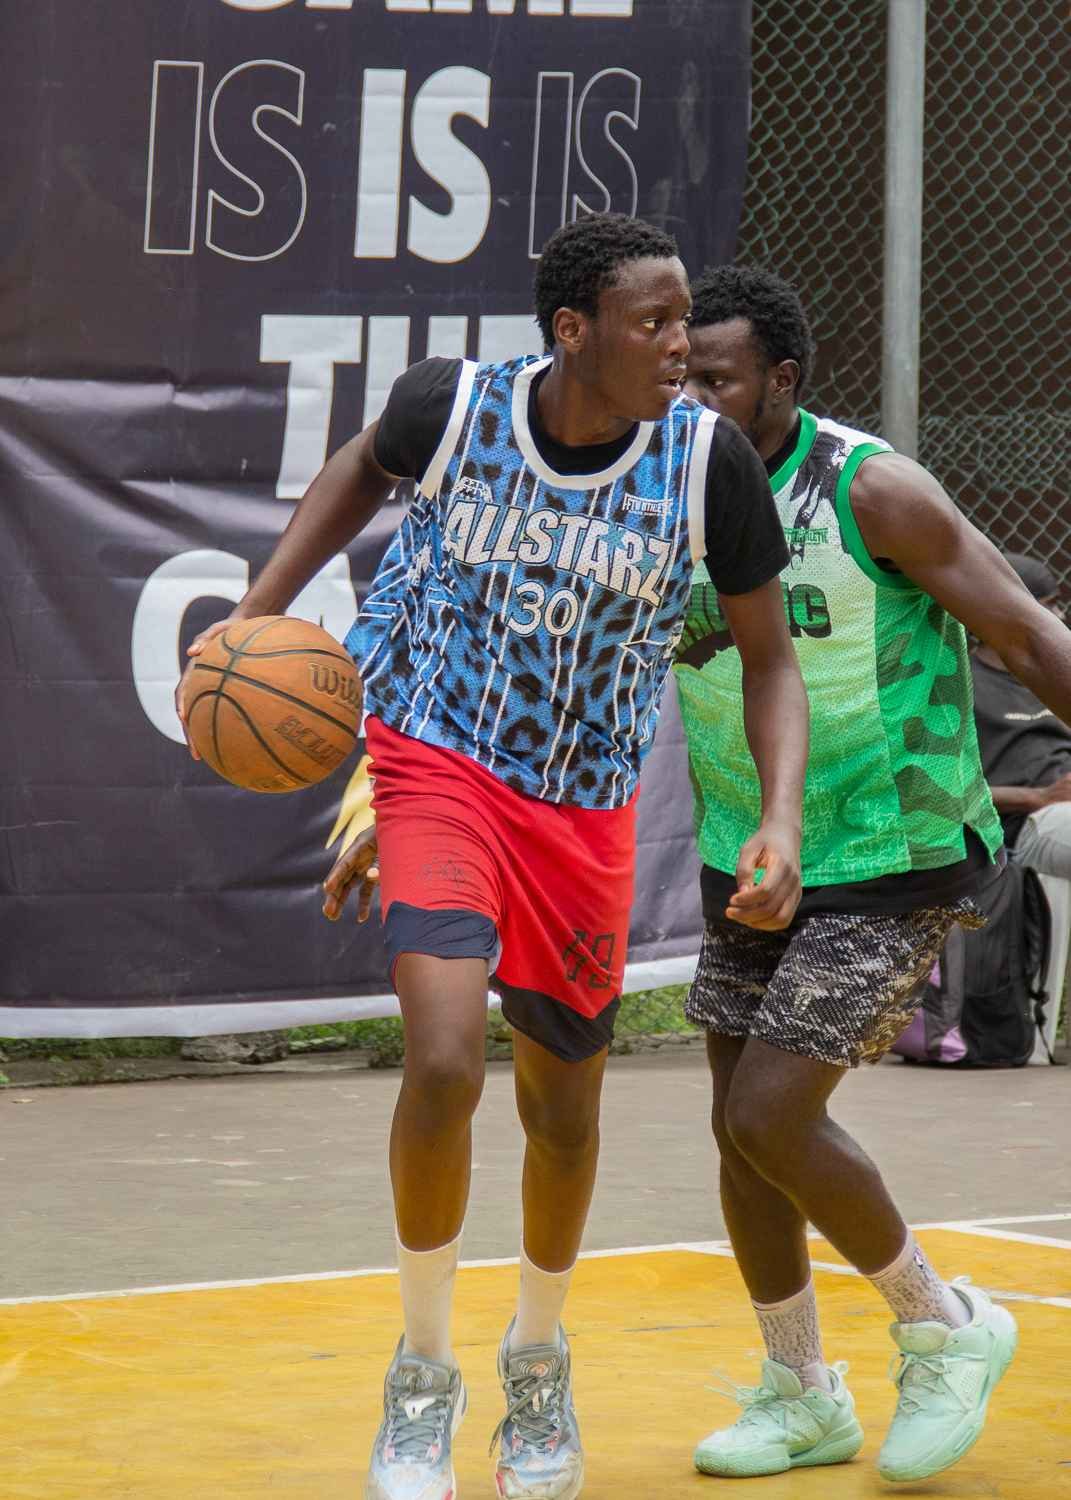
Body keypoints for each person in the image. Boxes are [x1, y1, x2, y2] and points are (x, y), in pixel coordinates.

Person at [178, 216, 809, 1500]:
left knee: (562, 1115)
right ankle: (421, 1373)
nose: (679, 344)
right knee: (446, 1059)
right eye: (652, 322)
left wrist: (781, 818)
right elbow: (360, 467)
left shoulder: (708, 465)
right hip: (436, 763)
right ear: (573, 330)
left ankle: (536, 1356)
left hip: (582, 807)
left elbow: (769, 659)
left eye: (685, 319)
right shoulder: (454, 407)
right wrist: (256, 612)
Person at [674, 265, 1071, 1485]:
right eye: (682, 375)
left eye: (717, 379)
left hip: (896, 847)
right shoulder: (663, 484)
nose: (693, 398)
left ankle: (942, 1326)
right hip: (749, 846)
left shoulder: (870, 489)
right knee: (738, 1132)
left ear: (782, 381)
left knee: (769, 1112)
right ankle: (801, 1389)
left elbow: (1025, 634)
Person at [972, 551, 1071, 878]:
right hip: (1025, 824)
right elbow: (944, 795)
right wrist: (1037, 797)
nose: (1059, 615)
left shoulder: (1057, 674)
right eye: (1048, 605)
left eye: (1059, 604)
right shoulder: (962, 682)